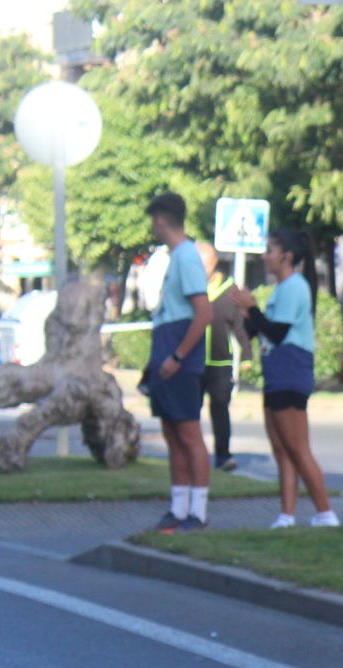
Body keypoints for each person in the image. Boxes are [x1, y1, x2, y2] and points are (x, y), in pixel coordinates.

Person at [228, 228, 337, 529]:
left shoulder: (294, 287)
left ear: (286, 256)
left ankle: (325, 513)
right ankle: (286, 515)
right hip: (276, 371)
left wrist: (252, 310)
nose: (265, 256)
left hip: (290, 369)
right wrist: (246, 314)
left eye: (270, 251)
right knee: (281, 448)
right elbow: (262, 330)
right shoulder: (281, 289)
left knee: (298, 447)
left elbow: (279, 332)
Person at [141, 194, 214, 533]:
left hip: (179, 360)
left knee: (189, 434)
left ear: (161, 220)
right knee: (173, 434)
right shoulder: (177, 258)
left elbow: (203, 313)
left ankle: (196, 513)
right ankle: (178, 508)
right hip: (166, 356)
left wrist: (177, 356)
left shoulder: (186, 257)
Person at [196, 241, 248, 472]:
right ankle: (193, 457)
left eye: (205, 263)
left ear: (214, 263)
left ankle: (223, 456)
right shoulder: (192, 288)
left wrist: (247, 355)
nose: (201, 268)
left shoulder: (228, 291)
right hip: (194, 360)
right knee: (189, 412)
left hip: (219, 363)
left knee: (220, 409)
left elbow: (239, 326)